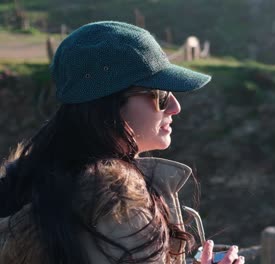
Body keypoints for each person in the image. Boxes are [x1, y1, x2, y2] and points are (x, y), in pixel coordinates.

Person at [0, 21, 244, 264]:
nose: (175, 107)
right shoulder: (120, 211)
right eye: (160, 95)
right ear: (109, 105)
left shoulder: (24, 181)